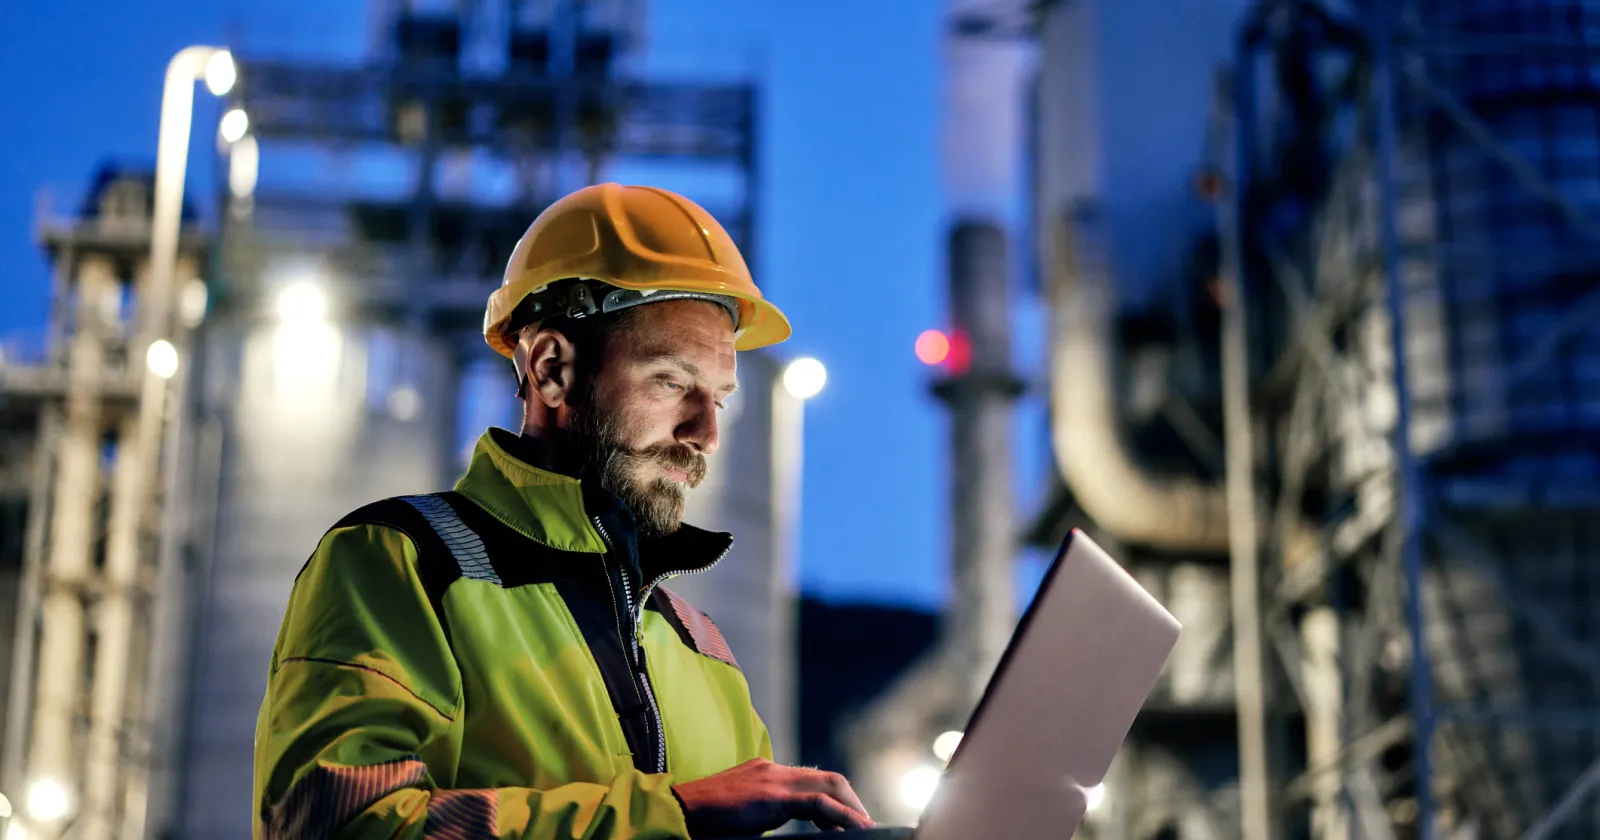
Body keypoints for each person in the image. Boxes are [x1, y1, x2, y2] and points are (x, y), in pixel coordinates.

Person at [252, 183, 875, 839]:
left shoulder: (702, 648)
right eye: (671, 381)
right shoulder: (404, 565)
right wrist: (674, 815)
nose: (706, 434)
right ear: (552, 369)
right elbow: (338, 826)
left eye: (718, 397)